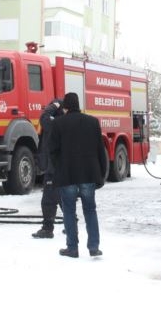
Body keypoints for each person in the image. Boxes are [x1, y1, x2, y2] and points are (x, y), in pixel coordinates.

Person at [49, 92, 107, 258]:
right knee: (90, 210)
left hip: (67, 176)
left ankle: (72, 248)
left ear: (65, 107)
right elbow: (99, 150)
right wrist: (101, 173)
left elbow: (52, 151)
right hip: (88, 175)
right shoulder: (92, 122)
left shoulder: (58, 123)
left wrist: (58, 168)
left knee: (68, 211)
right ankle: (94, 247)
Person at [32, 99, 63, 239]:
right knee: (63, 197)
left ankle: (47, 228)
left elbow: (44, 117)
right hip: (61, 168)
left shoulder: (54, 124)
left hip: (53, 169)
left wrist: (51, 106)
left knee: (48, 200)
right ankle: (71, 224)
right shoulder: (64, 122)